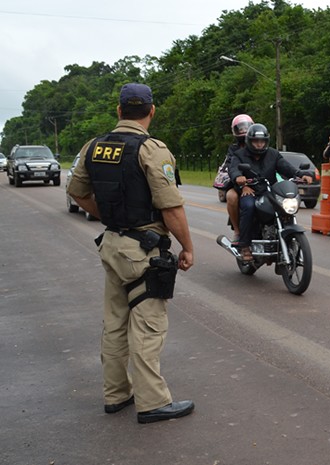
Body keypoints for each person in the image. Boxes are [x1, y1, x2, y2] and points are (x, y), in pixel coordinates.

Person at [67, 83, 195, 424]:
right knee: (148, 326)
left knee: (115, 322)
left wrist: (110, 217)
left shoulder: (93, 146)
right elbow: (171, 208)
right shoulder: (152, 150)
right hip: (143, 250)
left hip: (111, 246)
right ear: (151, 111)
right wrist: (188, 247)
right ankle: (152, 402)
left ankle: (116, 394)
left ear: (119, 111)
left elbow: (77, 192)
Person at [228, 123, 313, 261]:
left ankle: (280, 235)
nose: (259, 144)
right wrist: (239, 177)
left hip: (269, 191)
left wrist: (300, 174)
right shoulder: (240, 155)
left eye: (262, 141)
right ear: (249, 141)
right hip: (250, 191)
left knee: (283, 207)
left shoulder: (273, 154)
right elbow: (233, 169)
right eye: (256, 141)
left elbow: (286, 167)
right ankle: (244, 245)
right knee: (249, 206)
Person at [225, 114, 254, 243]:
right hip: (238, 184)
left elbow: (275, 162)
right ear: (235, 131)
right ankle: (238, 231)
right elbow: (232, 167)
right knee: (231, 197)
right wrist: (241, 182)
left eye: (246, 127)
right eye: (240, 128)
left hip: (259, 183)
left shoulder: (259, 145)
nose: (244, 130)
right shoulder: (234, 150)